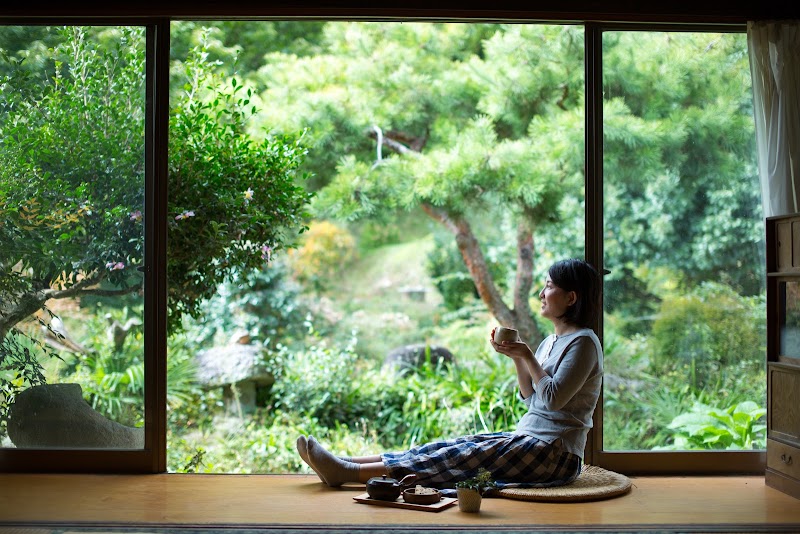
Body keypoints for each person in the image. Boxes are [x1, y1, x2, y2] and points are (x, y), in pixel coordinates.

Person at [296, 258, 604, 493]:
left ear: (571, 298)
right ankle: (347, 462)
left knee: (462, 460)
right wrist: (517, 357)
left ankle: (346, 473)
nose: (541, 292)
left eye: (549, 286)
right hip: (529, 439)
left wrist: (525, 354)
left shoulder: (584, 343)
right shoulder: (551, 341)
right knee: (451, 448)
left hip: (555, 456)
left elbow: (552, 401)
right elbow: (530, 397)